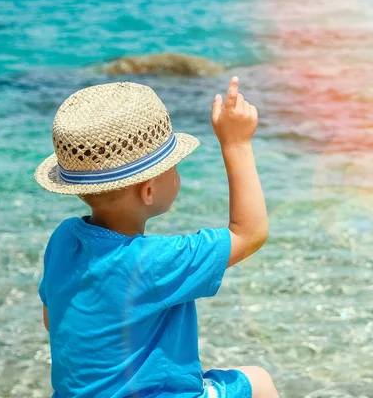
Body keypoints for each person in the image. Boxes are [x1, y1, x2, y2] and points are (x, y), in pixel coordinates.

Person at [34, 77, 279, 398]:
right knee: (258, 381)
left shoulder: (64, 237)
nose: (178, 173)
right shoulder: (155, 261)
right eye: (173, 166)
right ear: (148, 191)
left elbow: (54, 321)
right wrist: (236, 144)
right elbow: (250, 234)